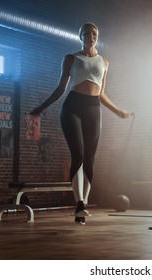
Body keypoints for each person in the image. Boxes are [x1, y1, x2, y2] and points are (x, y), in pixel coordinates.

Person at [31, 22, 131, 225]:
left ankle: (83, 204)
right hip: (72, 108)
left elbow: (101, 93)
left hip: (94, 110)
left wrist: (117, 111)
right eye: (86, 33)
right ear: (80, 36)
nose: (90, 36)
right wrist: (43, 107)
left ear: (97, 36)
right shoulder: (71, 58)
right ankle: (80, 204)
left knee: (90, 159)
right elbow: (61, 89)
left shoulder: (104, 62)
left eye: (94, 33)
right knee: (78, 153)